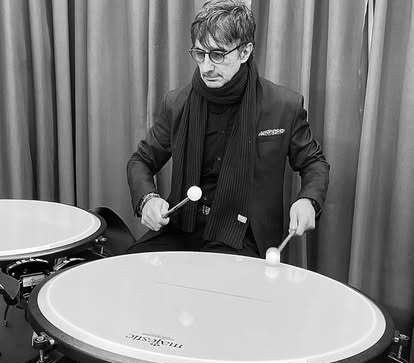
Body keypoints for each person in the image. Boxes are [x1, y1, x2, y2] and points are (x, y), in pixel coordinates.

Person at [127, 0, 329, 259]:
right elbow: (140, 161)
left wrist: (308, 200)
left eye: (218, 55)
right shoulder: (177, 103)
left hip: (242, 234)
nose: (206, 67)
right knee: (130, 269)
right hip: (182, 226)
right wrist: (148, 199)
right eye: (200, 54)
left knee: (213, 283)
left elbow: (314, 163)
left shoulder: (283, 106)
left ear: (244, 52)